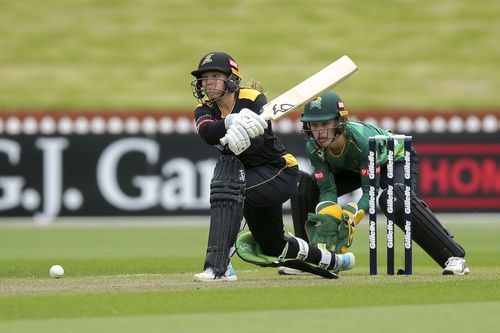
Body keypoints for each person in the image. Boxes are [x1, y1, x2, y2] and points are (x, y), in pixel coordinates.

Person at [190, 52, 354, 282]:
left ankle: (219, 266)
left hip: (279, 172)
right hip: (250, 178)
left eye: (215, 76)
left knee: (230, 191)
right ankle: (335, 261)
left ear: (232, 79)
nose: (208, 83)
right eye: (205, 78)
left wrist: (245, 131)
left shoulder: (253, 98)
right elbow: (207, 133)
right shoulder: (204, 109)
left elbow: (258, 143)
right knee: (273, 245)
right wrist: (228, 122)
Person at [290, 91, 470, 275]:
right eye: (314, 125)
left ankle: (453, 256)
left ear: (339, 122)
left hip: (393, 158)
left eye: (325, 124)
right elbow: (327, 189)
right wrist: (329, 214)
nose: (320, 132)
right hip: (352, 169)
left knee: (396, 200)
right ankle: (309, 257)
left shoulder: (362, 142)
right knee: (304, 187)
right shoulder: (313, 146)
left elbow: (370, 192)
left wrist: (352, 215)